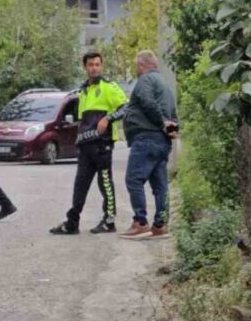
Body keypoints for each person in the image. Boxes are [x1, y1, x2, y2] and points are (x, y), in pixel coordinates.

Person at [50, 51, 128, 235]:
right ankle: (72, 222)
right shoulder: (83, 90)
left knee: (105, 182)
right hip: (85, 145)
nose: (94, 68)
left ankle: (109, 220)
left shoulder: (109, 87)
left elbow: (126, 106)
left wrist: (108, 118)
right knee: (80, 184)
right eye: (90, 65)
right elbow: (84, 120)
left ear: (101, 66)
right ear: (85, 67)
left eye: (97, 64)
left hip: (103, 143)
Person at [119, 51, 179, 240]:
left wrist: (161, 122)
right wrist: (171, 128)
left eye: (137, 66)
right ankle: (160, 225)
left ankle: (140, 222)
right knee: (160, 185)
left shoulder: (145, 80)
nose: (136, 70)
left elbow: (147, 102)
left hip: (146, 138)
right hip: (162, 142)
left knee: (133, 179)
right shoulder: (165, 85)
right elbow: (173, 114)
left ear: (143, 65)